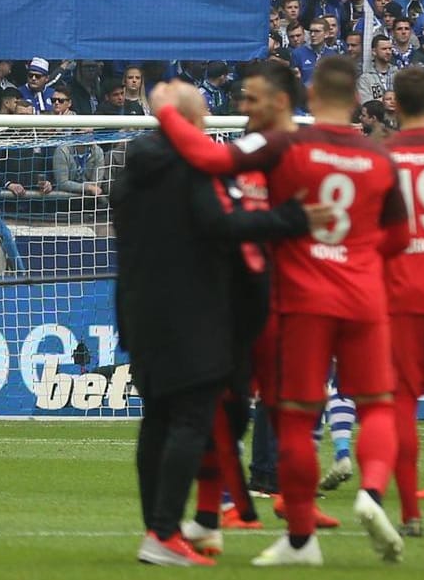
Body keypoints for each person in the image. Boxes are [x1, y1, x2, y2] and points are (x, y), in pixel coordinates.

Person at [155, 57, 411, 565]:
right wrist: (358, 258)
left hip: (294, 299)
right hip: (345, 296)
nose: (246, 105)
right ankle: (365, 494)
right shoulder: (377, 157)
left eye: (252, 97)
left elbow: (208, 162)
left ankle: (293, 530)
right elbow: (398, 236)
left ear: (303, 98)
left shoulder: (285, 145)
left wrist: (165, 113)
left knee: (285, 417)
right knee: (370, 405)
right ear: (356, 101)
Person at [113, 82, 333, 566]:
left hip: (139, 311)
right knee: (192, 421)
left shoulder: (131, 171)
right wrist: (290, 219)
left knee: (157, 422)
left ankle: (159, 528)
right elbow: (223, 227)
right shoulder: (193, 169)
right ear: (191, 120)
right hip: (194, 314)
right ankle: (167, 532)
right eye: (207, 108)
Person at [380, 67, 424, 535]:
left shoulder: (381, 159)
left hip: (400, 295)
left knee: (401, 404)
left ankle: (409, 514)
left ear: (395, 105)